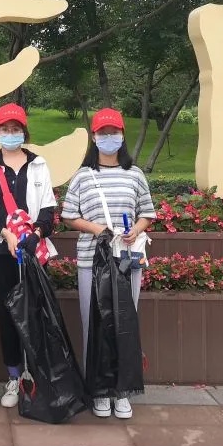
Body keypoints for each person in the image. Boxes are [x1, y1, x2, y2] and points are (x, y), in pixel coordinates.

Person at [60, 107, 155, 419]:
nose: (109, 137)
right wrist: (96, 229)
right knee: (94, 324)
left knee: (125, 324)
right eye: (103, 133)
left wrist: (135, 230)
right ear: (94, 137)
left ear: (122, 135)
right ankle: (100, 391)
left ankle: (122, 391)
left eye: (114, 132)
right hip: (92, 261)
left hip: (127, 261)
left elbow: (147, 213)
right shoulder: (83, 176)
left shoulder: (135, 174)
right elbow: (68, 215)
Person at [0, 103, 57, 408]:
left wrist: (36, 234)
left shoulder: (39, 166)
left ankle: (37, 375)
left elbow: (48, 209)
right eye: (5, 129)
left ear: (24, 132)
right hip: (0, 252)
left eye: (15, 129)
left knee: (35, 312)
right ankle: (14, 376)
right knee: (6, 313)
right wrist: (4, 233)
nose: (10, 134)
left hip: (33, 251)